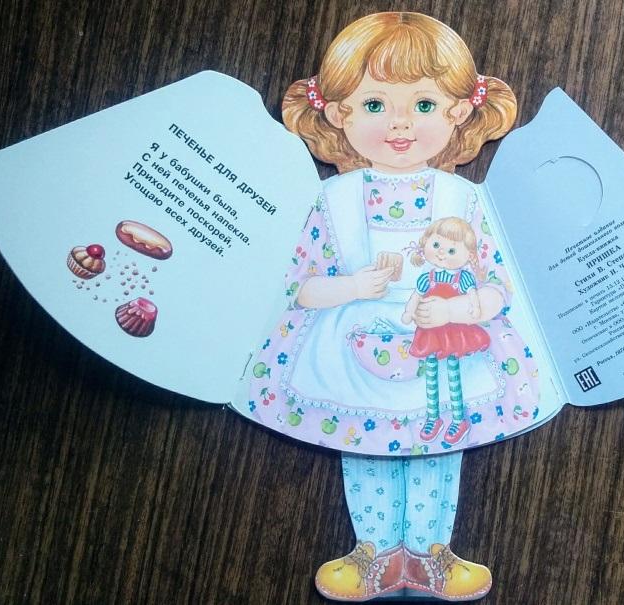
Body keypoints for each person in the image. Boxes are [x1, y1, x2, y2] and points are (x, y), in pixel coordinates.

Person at [246, 12, 547, 601]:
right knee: (365, 443)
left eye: (424, 105)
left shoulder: (464, 197)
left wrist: (459, 310)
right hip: (355, 342)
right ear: (339, 113)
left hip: (447, 345)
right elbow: (302, 288)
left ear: (459, 112)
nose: (401, 123)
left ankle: (432, 553)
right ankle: (375, 553)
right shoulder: (332, 198)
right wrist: (353, 287)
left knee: (441, 438)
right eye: (375, 105)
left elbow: (497, 286)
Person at [402, 217, 490, 446]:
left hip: (452, 330)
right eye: (436, 245)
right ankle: (433, 417)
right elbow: (416, 297)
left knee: (453, 371)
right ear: (425, 244)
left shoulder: (463, 278)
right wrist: (409, 312)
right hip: (431, 331)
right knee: (430, 371)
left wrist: (475, 307)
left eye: (451, 250)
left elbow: (472, 296)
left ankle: (458, 419)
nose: (442, 253)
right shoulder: (427, 278)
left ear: (469, 255)